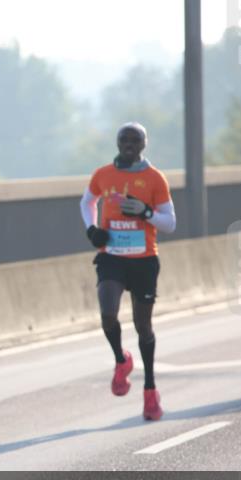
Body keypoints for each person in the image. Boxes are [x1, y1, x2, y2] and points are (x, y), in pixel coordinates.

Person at [80, 122, 176, 420]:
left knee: (142, 326)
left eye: (135, 140)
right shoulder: (103, 175)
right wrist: (92, 229)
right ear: (118, 143)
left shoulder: (154, 178)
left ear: (143, 145)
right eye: (124, 139)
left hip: (144, 259)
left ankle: (150, 391)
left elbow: (170, 222)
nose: (129, 144)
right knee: (107, 313)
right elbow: (87, 202)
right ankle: (121, 361)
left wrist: (146, 212)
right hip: (112, 256)